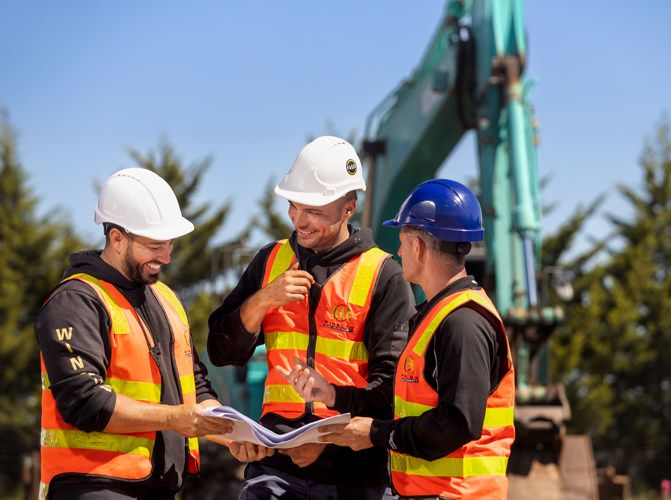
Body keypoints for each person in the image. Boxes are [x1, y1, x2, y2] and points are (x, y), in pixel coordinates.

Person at [35, 168, 267, 500]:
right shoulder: (76, 301)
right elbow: (83, 402)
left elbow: (195, 388)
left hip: (156, 487)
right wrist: (174, 418)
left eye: (170, 243)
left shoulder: (167, 299)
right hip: (91, 485)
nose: (167, 256)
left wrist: (231, 433)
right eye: (155, 245)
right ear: (116, 238)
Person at [207, 136, 416, 499]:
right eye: (293, 207)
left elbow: (393, 392)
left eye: (314, 212)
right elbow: (220, 351)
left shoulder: (383, 275)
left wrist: (326, 442)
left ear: (349, 208)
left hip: (354, 477)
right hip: (274, 468)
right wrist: (263, 300)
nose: (299, 221)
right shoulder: (270, 261)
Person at [283, 179, 516, 499]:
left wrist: (376, 433)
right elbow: (400, 403)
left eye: (403, 241)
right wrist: (334, 395)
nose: (399, 251)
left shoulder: (463, 323)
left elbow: (457, 423)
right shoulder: (438, 316)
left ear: (419, 247)